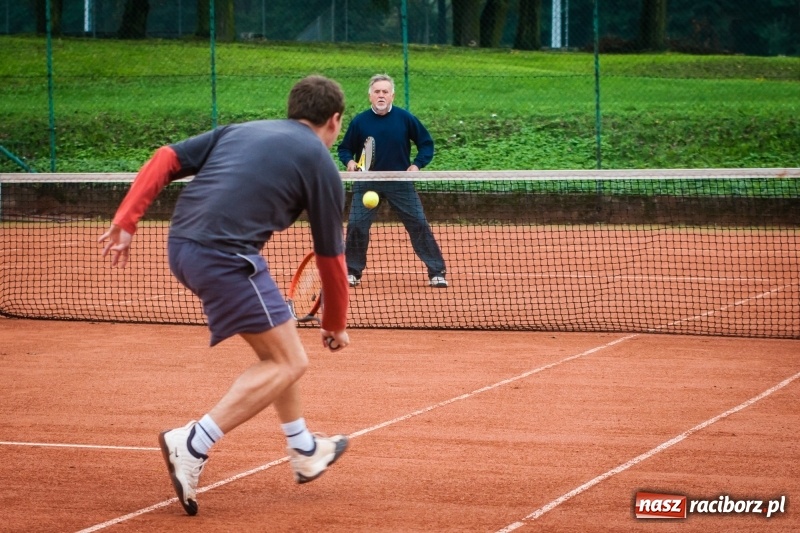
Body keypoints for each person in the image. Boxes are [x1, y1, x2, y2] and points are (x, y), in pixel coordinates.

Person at [98, 75, 351, 516]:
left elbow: (166, 157)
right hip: (225, 256)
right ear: (335, 120)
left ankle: (304, 448)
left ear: (294, 110)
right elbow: (331, 259)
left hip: (182, 245)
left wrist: (128, 218)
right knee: (290, 361)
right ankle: (194, 442)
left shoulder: (244, 130)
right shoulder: (321, 162)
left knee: (282, 344)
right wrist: (335, 324)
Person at [337, 73, 448, 288]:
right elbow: (344, 148)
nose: (381, 95)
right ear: (370, 96)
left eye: (385, 92)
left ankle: (437, 272)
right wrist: (350, 162)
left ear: (392, 95)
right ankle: (351, 271)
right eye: (377, 92)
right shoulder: (360, 121)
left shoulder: (405, 118)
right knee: (357, 225)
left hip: (400, 181)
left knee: (418, 223)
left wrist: (416, 165)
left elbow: (426, 144)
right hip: (367, 182)